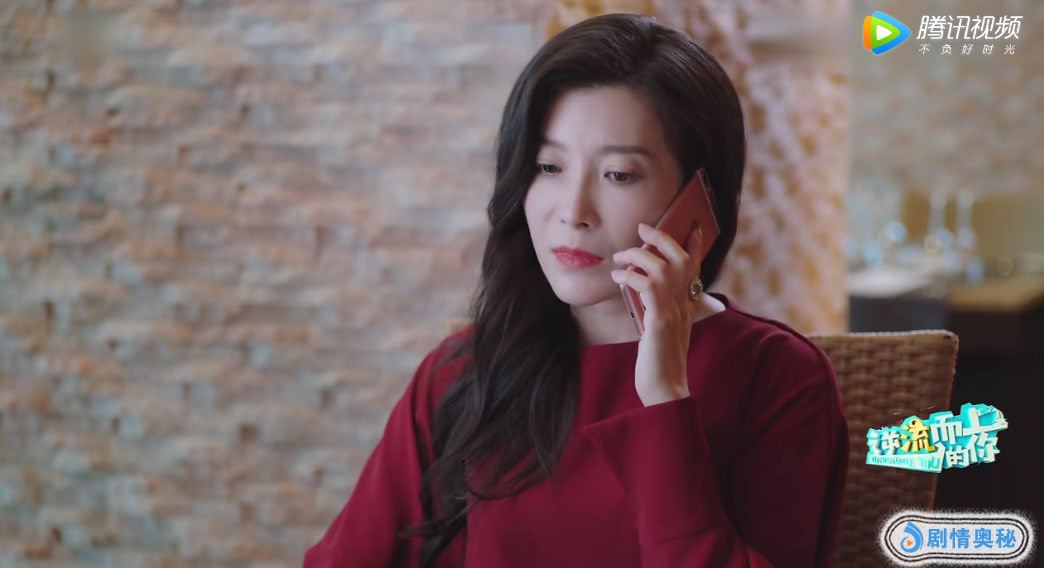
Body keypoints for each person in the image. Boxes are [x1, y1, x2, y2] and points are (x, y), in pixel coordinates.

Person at [305, 13, 848, 568]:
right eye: (549, 166)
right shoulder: (464, 372)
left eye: (619, 175)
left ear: (699, 199)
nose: (573, 212)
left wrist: (664, 399)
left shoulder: (778, 378)